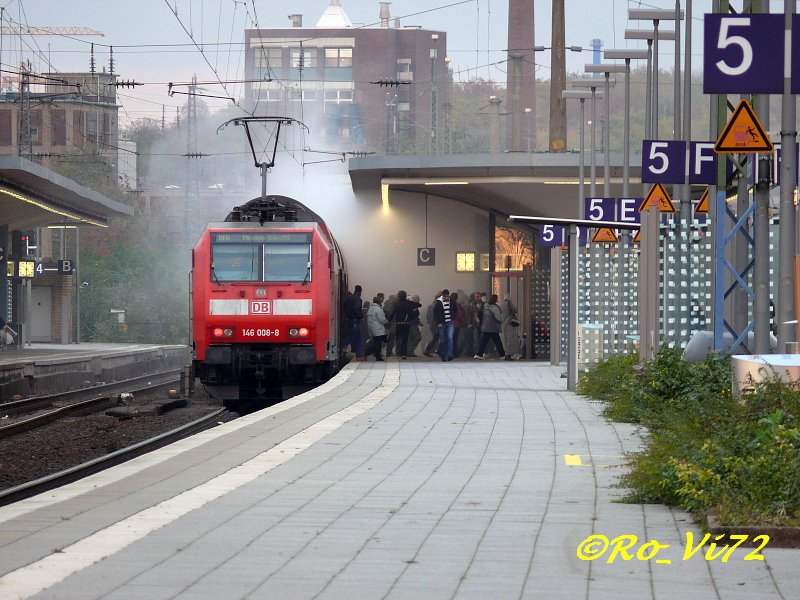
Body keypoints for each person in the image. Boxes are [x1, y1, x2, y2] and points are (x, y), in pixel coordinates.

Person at [475, 294, 509, 360]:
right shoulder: (494, 308)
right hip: (493, 327)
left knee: (485, 341)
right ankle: (502, 355)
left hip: (485, 326)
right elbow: (498, 317)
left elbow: (480, 315)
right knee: (497, 341)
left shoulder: (485, 306)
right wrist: (503, 319)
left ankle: (479, 354)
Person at [392, 290, 422, 359]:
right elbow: (413, 313)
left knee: (402, 338)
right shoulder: (410, 304)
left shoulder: (400, 303)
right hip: (409, 323)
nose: (419, 300)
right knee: (411, 337)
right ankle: (406, 352)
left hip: (404, 323)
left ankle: (402, 352)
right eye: (418, 299)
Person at [340, 284, 365, 361]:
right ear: (360, 291)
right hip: (355, 320)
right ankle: (341, 346)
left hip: (348, 319)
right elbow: (356, 309)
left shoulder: (348, 298)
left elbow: (343, 307)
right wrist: (361, 315)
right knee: (354, 336)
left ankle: (359, 355)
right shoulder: (358, 299)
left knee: (358, 337)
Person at [433, 288, 456, 361]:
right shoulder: (439, 302)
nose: (446, 298)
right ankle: (443, 354)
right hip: (441, 323)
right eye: (445, 296)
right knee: (442, 340)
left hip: (450, 322)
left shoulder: (452, 301)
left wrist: (453, 319)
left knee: (450, 339)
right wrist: (438, 322)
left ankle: (449, 355)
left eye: (447, 296)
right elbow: (435, 313)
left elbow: (455, 310)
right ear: (442, 296)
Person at [366, 295, 389, 361]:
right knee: (377, 344)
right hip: (378, 329)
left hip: (372, 328)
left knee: (377, 343)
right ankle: (368, 352)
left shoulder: (371, 309)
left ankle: (378, 356)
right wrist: (387, 321)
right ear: (379, 302)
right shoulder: (378, 309)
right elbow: (381, 320)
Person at [501, 293, 520, 360]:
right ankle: (508, 354)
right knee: (510, 339)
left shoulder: (503, 304)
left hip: (504, 323)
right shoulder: (508, 304)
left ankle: (507, 353)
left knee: (506, 339)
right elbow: (515, 310)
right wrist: (511, 302)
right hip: (509, 323)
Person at [423, 293, 441, 357]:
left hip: (433, 324)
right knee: (437, 338)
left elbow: (428, 316)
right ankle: (429, 350)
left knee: (435, 338)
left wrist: (429, 323)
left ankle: (429, 350)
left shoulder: (431, 306)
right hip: (437, 325)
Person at [450, 292, 466, 357]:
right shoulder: (456, 305)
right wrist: (463, 321)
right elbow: (459, 315)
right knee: (454, 339)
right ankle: (454, 353)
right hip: (456, 324)